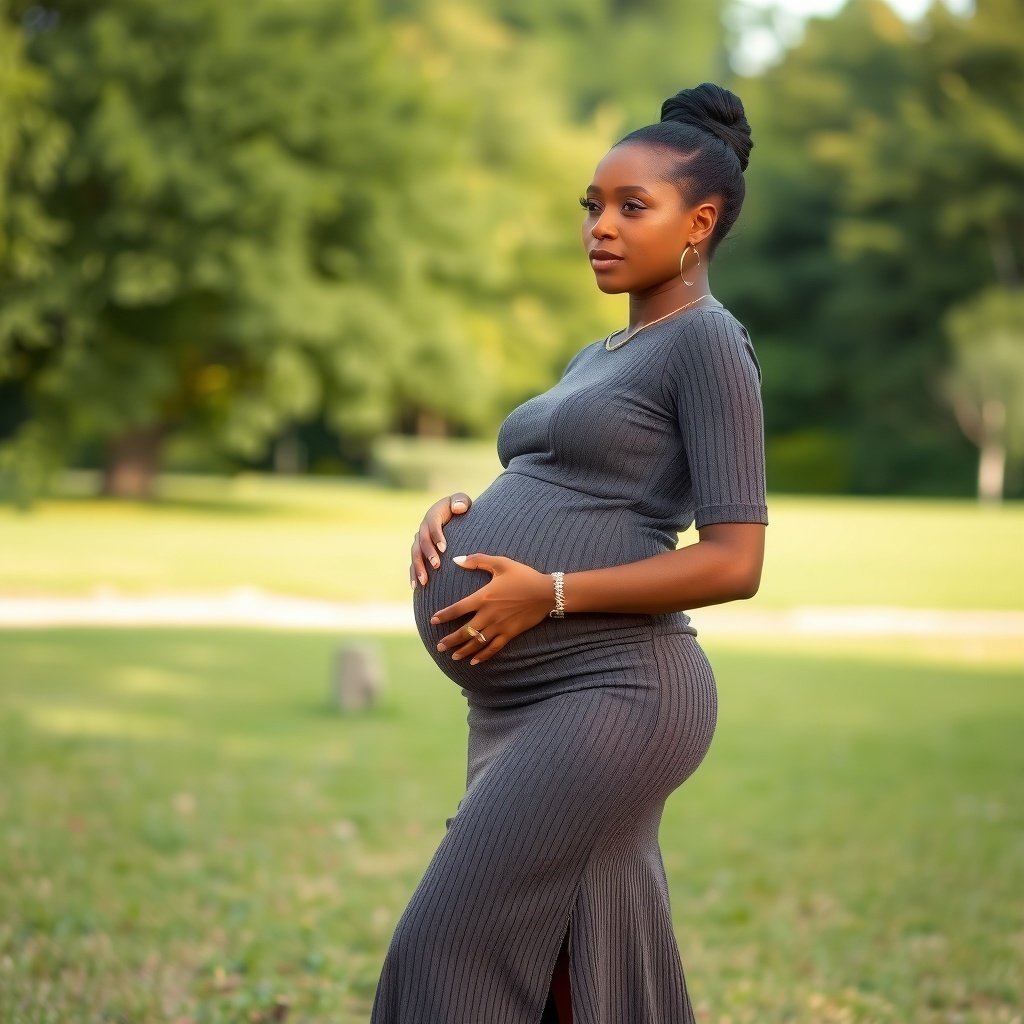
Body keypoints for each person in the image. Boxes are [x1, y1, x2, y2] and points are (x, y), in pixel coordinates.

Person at [371, 81, 768, 1024]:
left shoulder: (709, 343)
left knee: (446, 950)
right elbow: (569, 477)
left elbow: (734, 560)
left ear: (699, 224)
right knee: (577, 963)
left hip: (615, 695)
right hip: (522, 703)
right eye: (593, 206)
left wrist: (546, 591)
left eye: (634, 207)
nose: (601, 226)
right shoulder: (601, 353)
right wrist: (457, 513)